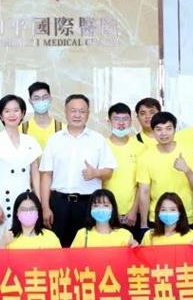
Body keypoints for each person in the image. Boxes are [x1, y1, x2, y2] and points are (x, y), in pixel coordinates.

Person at [39, 94, 117, 247]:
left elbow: (109, 171)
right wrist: (45, 207)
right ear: (66, 112)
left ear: (88, 114)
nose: (77, 115)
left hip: (87, 204)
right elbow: (46, 175)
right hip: (59, 203)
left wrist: (96, 173)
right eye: (73, 111)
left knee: (86, 248)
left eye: (82, 111)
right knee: (58, 248)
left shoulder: (98, 140)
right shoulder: (55, 140)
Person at [0, 95, 42, 248]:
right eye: (7, 111)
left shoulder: (31, 141)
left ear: (22, 113)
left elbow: (35, 174)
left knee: (26, 244)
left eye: (16, 110)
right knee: (1, 244)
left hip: (26, 201)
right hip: (2, 201)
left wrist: (39, 201)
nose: (12, 114)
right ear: (1, 115)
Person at [136, 112, 193, 234]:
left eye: (168, 128)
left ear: (174, 130)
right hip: (157, 217)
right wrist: (143, 224)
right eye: (159, 129)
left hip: (185, 216)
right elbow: (144, 191)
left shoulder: (190, 151)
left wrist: (187, 170)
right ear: (153, 131)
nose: (164, 133)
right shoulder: (145, 156)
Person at [104, 103, 145, 239]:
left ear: (131, 121)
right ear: (109, 121)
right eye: (116, 119)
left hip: (132, 214)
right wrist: (108, 211)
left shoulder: (140, 148)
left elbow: (142, 184)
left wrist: (134, 210)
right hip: (106, 213)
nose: (121, 123)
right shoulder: (101, 146)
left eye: (125, 119)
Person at [70, 189, 138, 248]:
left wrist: (134, 246)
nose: (101, 209)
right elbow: (73, 257)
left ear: (113, 209)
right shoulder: (83, 234)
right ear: (90, 209)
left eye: (106, 205)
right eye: (96, 205)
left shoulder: (125, 235)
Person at [21, 81, 63, 149]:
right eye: (36, 98)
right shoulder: (21, 130)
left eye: (45, 97)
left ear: (50, 99)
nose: (41, 101)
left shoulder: (63, 129)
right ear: (30, 101)